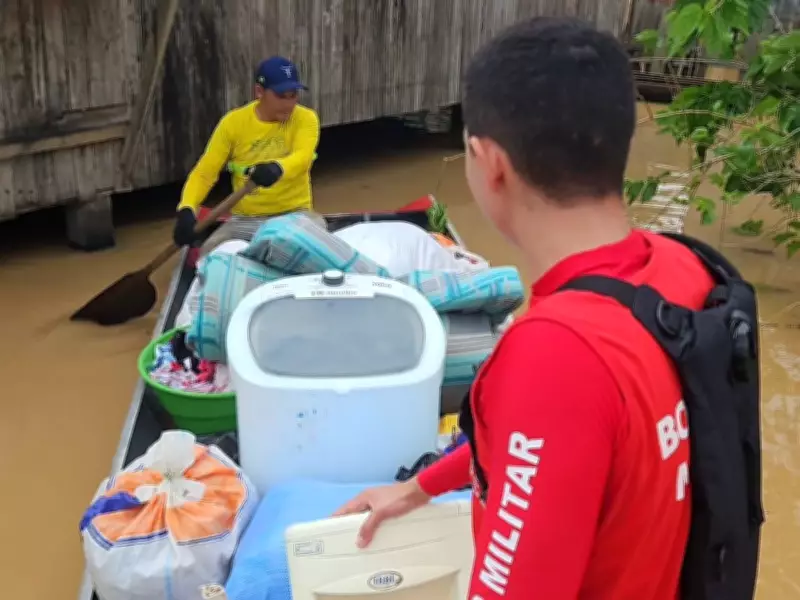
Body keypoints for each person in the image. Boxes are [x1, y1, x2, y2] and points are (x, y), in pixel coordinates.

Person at [334, 17, 715, 599]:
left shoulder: (555, 355)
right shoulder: (679, 269)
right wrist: (419, 488)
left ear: (489, 163)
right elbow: (565, 448)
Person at [173, 56, 323, 252]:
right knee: (209, 255)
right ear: (259, 91)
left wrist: (277, 168)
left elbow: (302, 158)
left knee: (312, 247)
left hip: (295, 215)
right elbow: (204, 173)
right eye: (280, 96)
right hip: (245, 220)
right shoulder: (233, 123)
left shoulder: (306, 118)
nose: (289, 104)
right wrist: (187, 208)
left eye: (293, 95)